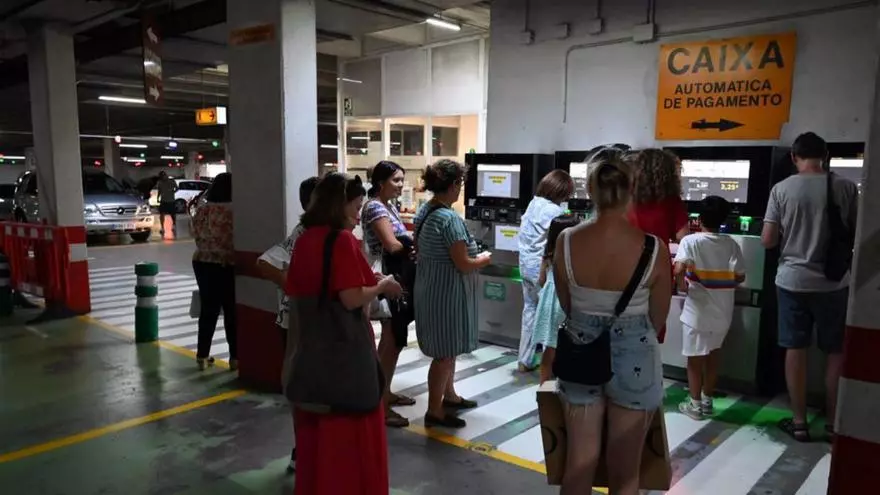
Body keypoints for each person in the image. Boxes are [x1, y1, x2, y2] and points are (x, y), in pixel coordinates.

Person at [542, 153, 671, 494]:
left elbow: (567, 304)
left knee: (579, 462)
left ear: (590, 190)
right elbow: (658, 317)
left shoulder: (566, 241)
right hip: (636, 355)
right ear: (633, 188)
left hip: (580, 351)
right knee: (625, 470)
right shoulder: (653, 249)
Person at [286, 173, 402, 495]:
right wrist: (382, 285)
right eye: (355, 205)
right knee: (352, 438)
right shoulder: (341, 240)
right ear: (339, 205)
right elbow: (351, 298)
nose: (358, 212)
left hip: (310, 352)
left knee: (316, 441)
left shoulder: (305, 239)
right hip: (347, 355)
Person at [762, 132, 859, 442]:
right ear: (825, 155)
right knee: (835, 351)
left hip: (792, 281)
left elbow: (768, 240)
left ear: (794, 156)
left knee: (795, 349)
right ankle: (833, 424)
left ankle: (799, 423)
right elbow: (857, 232)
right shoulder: (845, 187)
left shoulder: (781, 189)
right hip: (834, 283)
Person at [414, 159, 491, 428]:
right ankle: (434, 411)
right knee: (445, 354)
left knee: (448, 349)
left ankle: (450, 395)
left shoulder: (425, 211)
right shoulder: (449, 220)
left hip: (430, 288)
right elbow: (463, 263)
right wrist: (483, 259)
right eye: (460, 183)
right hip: (447, 294)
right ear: (454, 184)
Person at [255, 176, 319, 473]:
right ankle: (303, 450)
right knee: (305, 390)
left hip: (305, 323)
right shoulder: (305, 233)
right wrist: (294, 286)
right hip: (297, 324)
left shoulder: (322, 232)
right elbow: (265, 262)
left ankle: (309, 449)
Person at [673, 196, 746, 420]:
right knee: (714, 355)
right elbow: (740, 276)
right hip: (723, 312)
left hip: (697, 312)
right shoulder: (731, 244)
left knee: (695, 359)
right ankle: (707, 400)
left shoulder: (690, 241)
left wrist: (682, 286)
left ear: (699, 219)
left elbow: (678, 270)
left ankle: (694, 405)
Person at [360, 160, 413, 428]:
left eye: (402, 180)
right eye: (396, 180)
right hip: (385, 278)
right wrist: (413, 245)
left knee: (393, 339)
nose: (401, 185)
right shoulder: (375, 207)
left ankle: (385, 393)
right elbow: (392, 246)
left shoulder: (388, 205)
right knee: (391, 340)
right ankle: (379, 404)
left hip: (394, 276)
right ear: (381, 183)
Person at [626, 148, 688, 344]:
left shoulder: (626, 197)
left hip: (625, 264)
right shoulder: (671, 201)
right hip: (657, 266)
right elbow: (683, 237)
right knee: (653, 326)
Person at [517, 170, 575, 372]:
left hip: (525, 266)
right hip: (542, 271)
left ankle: (524, 360)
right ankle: (552, 365)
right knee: (552, 317)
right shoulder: (555, 212)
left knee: (530, 310)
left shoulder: (533, 204)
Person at [190, 172, 237, 371]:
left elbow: (193, 232)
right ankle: (235, 358)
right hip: (226, 263)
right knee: (231, 310)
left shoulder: (201, 210)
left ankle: (202, 356)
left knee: (208, 309)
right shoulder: (234, 211)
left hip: (202, 261)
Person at [535, 213, 581, 385]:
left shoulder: (548, 253)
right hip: (564, 300)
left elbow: (541, 280)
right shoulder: (574, 255)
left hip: (548, 301)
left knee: (549, 346)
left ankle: (543, 387)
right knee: (568, 345)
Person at [156, 171, 179, 238]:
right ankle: (162, 227)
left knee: (173, 214)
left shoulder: (172, 181)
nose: (164, 177)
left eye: (164, 175)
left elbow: (177, 188)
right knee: (162, 214)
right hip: (163, 201)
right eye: (162, 176)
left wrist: (173, 191)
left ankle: (174, 225)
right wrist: (158, 197)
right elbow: (159, 191)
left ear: (166, 175)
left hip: (171, 200)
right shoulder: (160, 183)